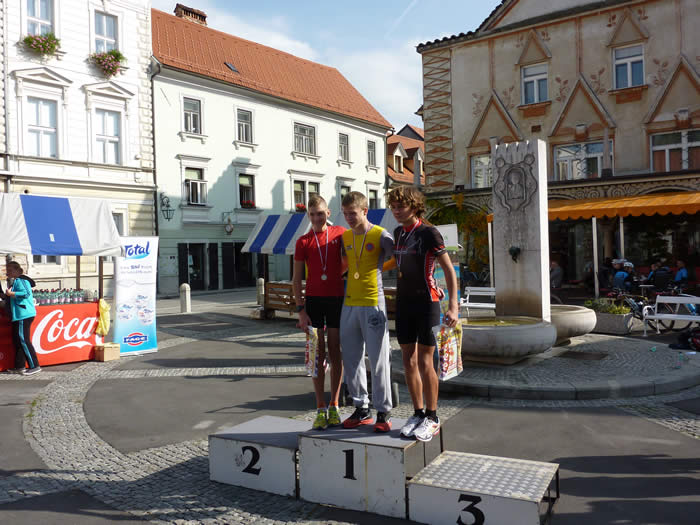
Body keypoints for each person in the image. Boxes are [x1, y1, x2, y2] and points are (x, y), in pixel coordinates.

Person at [386, 186, 458, 442]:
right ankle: (417, 413)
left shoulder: (429, 233)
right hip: (404, 302)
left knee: (427, 361)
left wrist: (453, 306)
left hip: (427, 302)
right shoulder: (398, 233)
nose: (396, 211)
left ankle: (432, 416)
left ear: (414, 207)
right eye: (393, 207)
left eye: (401, 206)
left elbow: (448, 270)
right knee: (408, 360)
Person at [339, 191, 394, 432]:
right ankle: (362, 407)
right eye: (345, 214)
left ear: (365, 211)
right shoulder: (346, 236)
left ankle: (383, 411)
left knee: (378, 358)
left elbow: (399, 257)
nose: (349, 218)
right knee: (351, 358)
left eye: (353, 213)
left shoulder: (380, 234)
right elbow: (345, 264)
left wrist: (380, 270)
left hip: (373, 302)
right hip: (350, 302)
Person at [293, 195, 346, 430]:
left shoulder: (340, 234)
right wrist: (301, 310)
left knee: (335, 351)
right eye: (313, 214)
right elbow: (296, 279)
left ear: (328, 213)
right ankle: (320, 407)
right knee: (317, 354)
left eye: (321, 213)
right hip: (313, 301)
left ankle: (334, 404)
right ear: (308, 215)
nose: (317, 218)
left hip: (336, 300)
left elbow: (352, 259)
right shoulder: (303, 241)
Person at [5, 261, 40, 375]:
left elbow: (26, 293)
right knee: (18, 341)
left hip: (24, 314)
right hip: (19, 315)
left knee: (24, 340)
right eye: (7, 270)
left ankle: (35, 365)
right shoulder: (16, 281)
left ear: (18, 271)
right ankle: (19, 366)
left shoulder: (22, 280)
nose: (7, 272)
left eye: (10, 270)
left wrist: (12, 294)